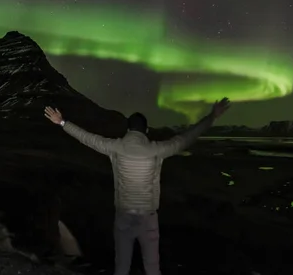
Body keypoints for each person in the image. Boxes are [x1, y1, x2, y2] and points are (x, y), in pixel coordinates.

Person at [44, 98, 231, 275]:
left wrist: (62, 123)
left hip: (124, 217)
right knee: (152, 268)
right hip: (148, 218)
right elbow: (185, 139)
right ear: (146, 130)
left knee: (122, 267)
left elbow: (87, 138)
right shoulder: (157, 149)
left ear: (128, 130)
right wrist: (212, 116)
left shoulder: (115, 147)